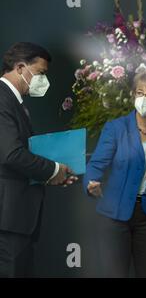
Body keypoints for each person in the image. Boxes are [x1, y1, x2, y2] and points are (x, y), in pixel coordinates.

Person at [83, 71, 146, 278]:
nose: (144, 98)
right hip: (114, 215)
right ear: (133, 96)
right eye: (139, 92)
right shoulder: (116, 128)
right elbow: (96, 164)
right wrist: (90, 183)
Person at [0, 42, 78, 277]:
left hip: (17, 217)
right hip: (8, 217)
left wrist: (50, 176)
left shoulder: (14, 102)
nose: (44, 80)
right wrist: (53, 170)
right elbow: (11, 154)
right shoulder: (2, 99)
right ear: (21, 67)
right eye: (41, 73)